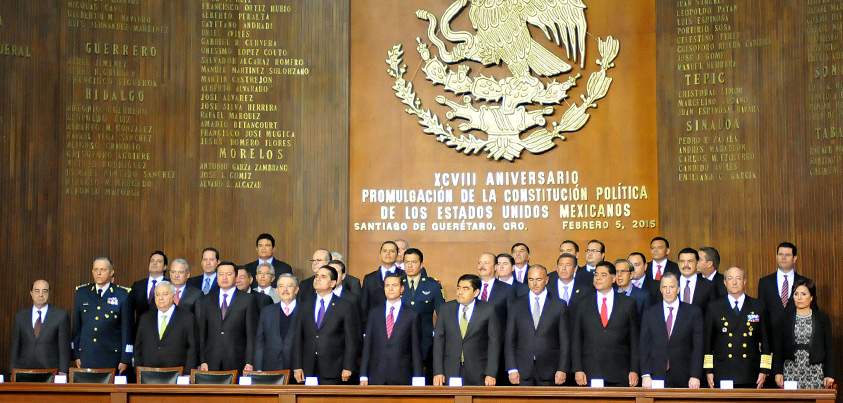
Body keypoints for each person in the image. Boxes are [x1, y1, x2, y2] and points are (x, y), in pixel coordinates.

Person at [571, 261, 640, 387]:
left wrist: (634, 369)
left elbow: (634, 340)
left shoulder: (628, 303)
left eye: (603, 275)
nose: (598, 278)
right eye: (596, 274)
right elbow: (576, 338)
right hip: (589, 371)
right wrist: (577, 369)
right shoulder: (582, 303)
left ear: (613, 278)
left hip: (620, 371)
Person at [292, 265, 361, 385]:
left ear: (333, 283)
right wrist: (297, 366)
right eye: (316, 276)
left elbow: (351, 339)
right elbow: (298, 337)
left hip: (334, 368)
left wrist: (348, 366)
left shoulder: (345, 306)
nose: (318, 279)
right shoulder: (305, 305)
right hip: (308, 368)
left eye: (323, 277)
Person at [704, 266, 771, 388]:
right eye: (730, 278)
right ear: (725, 282)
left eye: (738, 278)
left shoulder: (758, 306)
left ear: (744, 281)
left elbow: (766, 342)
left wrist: (764, 370)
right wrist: (709, 371)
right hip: (723, 370)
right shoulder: (714, 307)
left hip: (750, 371)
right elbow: (708, 343)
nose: (734, 282)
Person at [505, 266, 570, 386]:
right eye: (531, 279)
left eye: (539, 279)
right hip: (522, 370)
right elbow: (510, 339)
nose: (534, 283)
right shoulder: (517, 305)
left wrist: (562, 369)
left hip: (550, 370)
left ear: (547, 280)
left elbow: (564, 340)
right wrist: (512, 368)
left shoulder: (559, 305)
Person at [432, 274, 501, 386]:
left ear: (476, 292)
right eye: (459, 288)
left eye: (465, 289)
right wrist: (438, 371)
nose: (460, 292)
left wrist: (491, 373)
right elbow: (439, 341)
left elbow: (494, 343)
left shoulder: (488, 310)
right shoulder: (446, 309)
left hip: (478, 371)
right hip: (450, 370)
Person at [639, 272, 703, 388]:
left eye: (671, 287)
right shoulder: (650, 313)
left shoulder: (693, 312)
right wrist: (645, 374)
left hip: (685, 375)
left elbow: (698, 347)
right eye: (664, 287)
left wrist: (695, 375)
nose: (668, 291)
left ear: (678, 289)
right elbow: (644, 345)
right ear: (661, 290)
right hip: (656, 374)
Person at [360, 273, 423, 385]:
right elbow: (368, 345)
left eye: (394, 285)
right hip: (377, 375)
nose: (390, 288)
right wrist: (363, 375)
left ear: (402, 288)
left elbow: (416, 349)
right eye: (387, 285)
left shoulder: (412, 314)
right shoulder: (374, 313)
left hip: (402, 375)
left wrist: (418, 377)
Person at [72, 257, 132, 373]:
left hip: (111, 356)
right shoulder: (82, 293)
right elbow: (76, 328)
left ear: (111, 272)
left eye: (103, 270)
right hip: (87, 355)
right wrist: (76, 355)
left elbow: (127, 330)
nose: (98, 273)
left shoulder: (122, 294)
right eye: (96, 269)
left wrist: (125, 358)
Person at [774, 278, 835, 389]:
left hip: (815, 371)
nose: (799, 298)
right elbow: (778, 347)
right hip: (791, 370)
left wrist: (829, 374)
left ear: (811, 297)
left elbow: (828, 348)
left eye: (803, 294)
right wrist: (778, 372)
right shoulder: (785, 318)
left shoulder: (822, 318)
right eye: (796, 294)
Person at [197, 262, 257, 373]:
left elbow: (251, 334)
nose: (224, 277)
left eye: (228, 274)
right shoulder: (206, 300)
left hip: (237, 359)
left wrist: (249, 362)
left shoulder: (247, 299)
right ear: (217, 277)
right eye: (221, 274)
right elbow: (202, 333)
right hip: (211, 360)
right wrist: (202, 360)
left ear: (236, 277)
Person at [9, 280, 71, 374]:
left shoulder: (61, 315)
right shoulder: (20, 316)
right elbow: (15, 346)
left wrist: (63, 371)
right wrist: (12, 371)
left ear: (49, 293)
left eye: (44, 291)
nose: (40, 294)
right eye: (37, 291)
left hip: (51, 371)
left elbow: (64, 348)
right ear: (31, 293)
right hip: (24, 370)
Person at [400, 248, 444, 380]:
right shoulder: (396, 283)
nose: (409, 265)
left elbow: (442, 314)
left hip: (425, 341)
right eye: (406, 262)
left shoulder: (433, 285)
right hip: (402, 339)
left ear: (421, 264)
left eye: (414, 262)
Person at [134, 281, 197, 369]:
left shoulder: (187, 317)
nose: (161, 298)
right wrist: (138, 371)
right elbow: (138, 347)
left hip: (177, 372)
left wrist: (187, 373)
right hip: (148, 372)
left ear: (173, 296)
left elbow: (192, 348)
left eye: (165, 294)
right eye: (158, 294)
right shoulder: (145, 318)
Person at [758, 242, 811, 331]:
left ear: (794, 258)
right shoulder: (765, 282)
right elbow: (761, 311)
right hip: (772, 336)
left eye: (787, 255)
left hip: (798, 335)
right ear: (776, 257)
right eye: (780, 254)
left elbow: (812, 310)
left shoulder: (805, 282)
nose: (783, 257)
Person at [254, 273, 300, 372]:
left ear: (296, 290)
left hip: (297, 369)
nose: (285, 289)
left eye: (289, 286)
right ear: (277, 290)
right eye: (281, 286)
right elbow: (260, 341)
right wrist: (258, 368)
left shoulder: (305, 310)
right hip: (271, 367)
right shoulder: (267, 311)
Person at [360, 241, 406, 330]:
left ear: (397, 255)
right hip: (375, 327)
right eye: (385, 251)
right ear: (379, 255)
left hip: (400, 327)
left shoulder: (404, 276)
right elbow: (364, 307)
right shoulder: (369, 278)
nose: (388, 254)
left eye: (392, 251)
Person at [129, 251, 168, 331]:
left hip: (162, 332)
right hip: (139, 333)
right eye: (152, 261)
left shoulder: (169, 285)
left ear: (165, 267)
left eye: (159, 261)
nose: (154, 263)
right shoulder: (137, 285)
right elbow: (129, 312)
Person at [671, 248, 715, 317]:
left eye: (690, 261)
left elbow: (712, 315)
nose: (686, 264)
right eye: (682, 261)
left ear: (697, 263)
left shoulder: (709, 286)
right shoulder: (670, 284)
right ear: (678, 264)